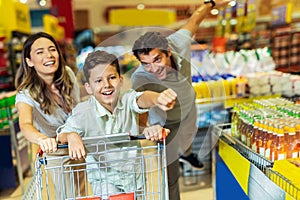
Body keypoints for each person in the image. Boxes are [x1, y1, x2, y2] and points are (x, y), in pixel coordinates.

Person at [130, 0, 230, 199]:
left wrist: (210, 3)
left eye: (157, 60)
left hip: (189, 111)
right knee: (170, 178)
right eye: (146, 64)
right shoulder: (140, 77)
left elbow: (195, 20)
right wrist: (150, 119)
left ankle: (187, 153)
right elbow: (140, 107)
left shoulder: (179, 43)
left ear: (168, 51)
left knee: (188, 136)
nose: (154, 68)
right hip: (165, 127)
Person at [56, 50, 177, 197]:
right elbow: (62, 134)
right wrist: (72, 136)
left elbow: (142, 98)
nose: (106, 85)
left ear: (120, 80)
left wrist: (158, 98)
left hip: (135, 177)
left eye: (111, 78)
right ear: (88, 88)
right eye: (98, 81)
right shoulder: (83, 112)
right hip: (104, 180)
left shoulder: (127, 99)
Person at [14, 32, 85, 199]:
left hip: (78, 141)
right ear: (29, 61)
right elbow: (25, 125)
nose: (49, 55)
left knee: (82, 193)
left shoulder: (67, 74)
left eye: (52, 49)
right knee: (67, 195)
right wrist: (42, 139)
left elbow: (77, 106)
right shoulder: (26, 95)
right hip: (57, 150)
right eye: (39, 52)